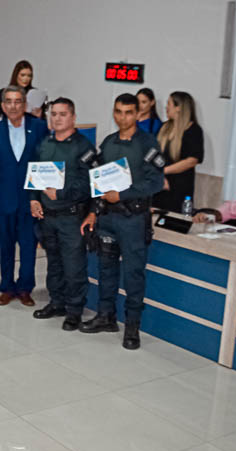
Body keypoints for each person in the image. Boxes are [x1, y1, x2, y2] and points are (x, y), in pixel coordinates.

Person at [80, 93, 165, 350]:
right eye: (118, 111)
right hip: (107, 217)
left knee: (133, 274)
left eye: (128, 112)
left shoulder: (148, 144)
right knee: (106, 269)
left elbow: (156, 181)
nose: (123, 117)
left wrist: (124, 194)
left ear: (138, 114)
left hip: (133, 219)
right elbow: (98, 180)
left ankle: (132, 327)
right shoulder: (108, 142)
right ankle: (106, 316)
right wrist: (94, 211)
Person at [28, 98, 95, 330]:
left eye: (62, 114)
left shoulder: (84, 146)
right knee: (54, 264)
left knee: (74, 265)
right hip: (47, 216)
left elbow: (89, 185)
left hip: (71, 216)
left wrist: (62, 193)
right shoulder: (45, 143)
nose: (57, 118)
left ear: (73, 117)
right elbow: (35, 174)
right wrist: (34, 199)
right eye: (53, 114)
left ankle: (74, 311)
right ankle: (56, 302)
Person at [0, 86, 47, 306]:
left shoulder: (38, 127)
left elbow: (44, 164)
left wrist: (39, 197)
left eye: (18, 101)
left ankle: (25, 288)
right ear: (2, 106)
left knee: (29, 247)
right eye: (8, 101)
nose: (13, 105)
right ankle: (7, 287)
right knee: (6, 246)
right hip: (3, 200)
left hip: (30, 200)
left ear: (24, 104)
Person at [152, 91, 203, 212]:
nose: (166, 107)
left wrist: (164, 171)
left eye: (169, 104)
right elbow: (153, 154)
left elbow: (191, 161)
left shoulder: (193, 130)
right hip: (159, 186)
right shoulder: (164, 127)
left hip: (179, 188)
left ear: (179, 107)